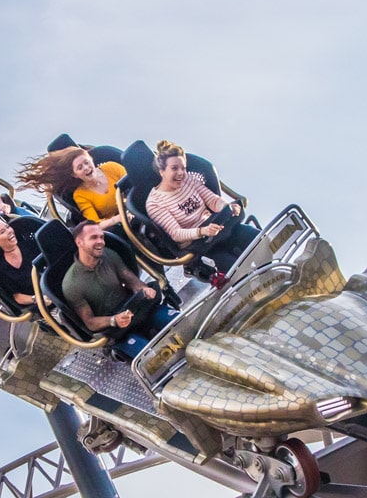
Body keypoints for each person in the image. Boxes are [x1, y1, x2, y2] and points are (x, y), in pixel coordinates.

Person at [62, 222, 177, 357]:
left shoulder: (109, 255)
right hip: (117, 329)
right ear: (79, 242)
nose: (100, 242)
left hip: (137, 309)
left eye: (101, 237)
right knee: (152, 357)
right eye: (94, 238)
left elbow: (129, 279)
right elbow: (90, 322)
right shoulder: (71, 284)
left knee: (179, 323)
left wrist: (143, 289)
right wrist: (113, 320)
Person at [144, 140, 258, 273]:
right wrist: (202, 231)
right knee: (235, 269)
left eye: (183, 168)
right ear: (162, 171)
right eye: (174, 169)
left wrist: (227, 207)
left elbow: (212, 200)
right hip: (201, 245)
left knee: (257, 238)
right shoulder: (154, 203)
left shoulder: (187, 179)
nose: (181, 173)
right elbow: (176, 233)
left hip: (220, 227)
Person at [18, 146, 125, 229]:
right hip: (119, 223)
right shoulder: (80, 195)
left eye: (86, 162)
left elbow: (134, 183)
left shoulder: (112, 167)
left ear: (91, 159)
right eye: (80, 167)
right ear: (75, 175)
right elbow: (95, 224)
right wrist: (117, 219)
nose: (86, 168)